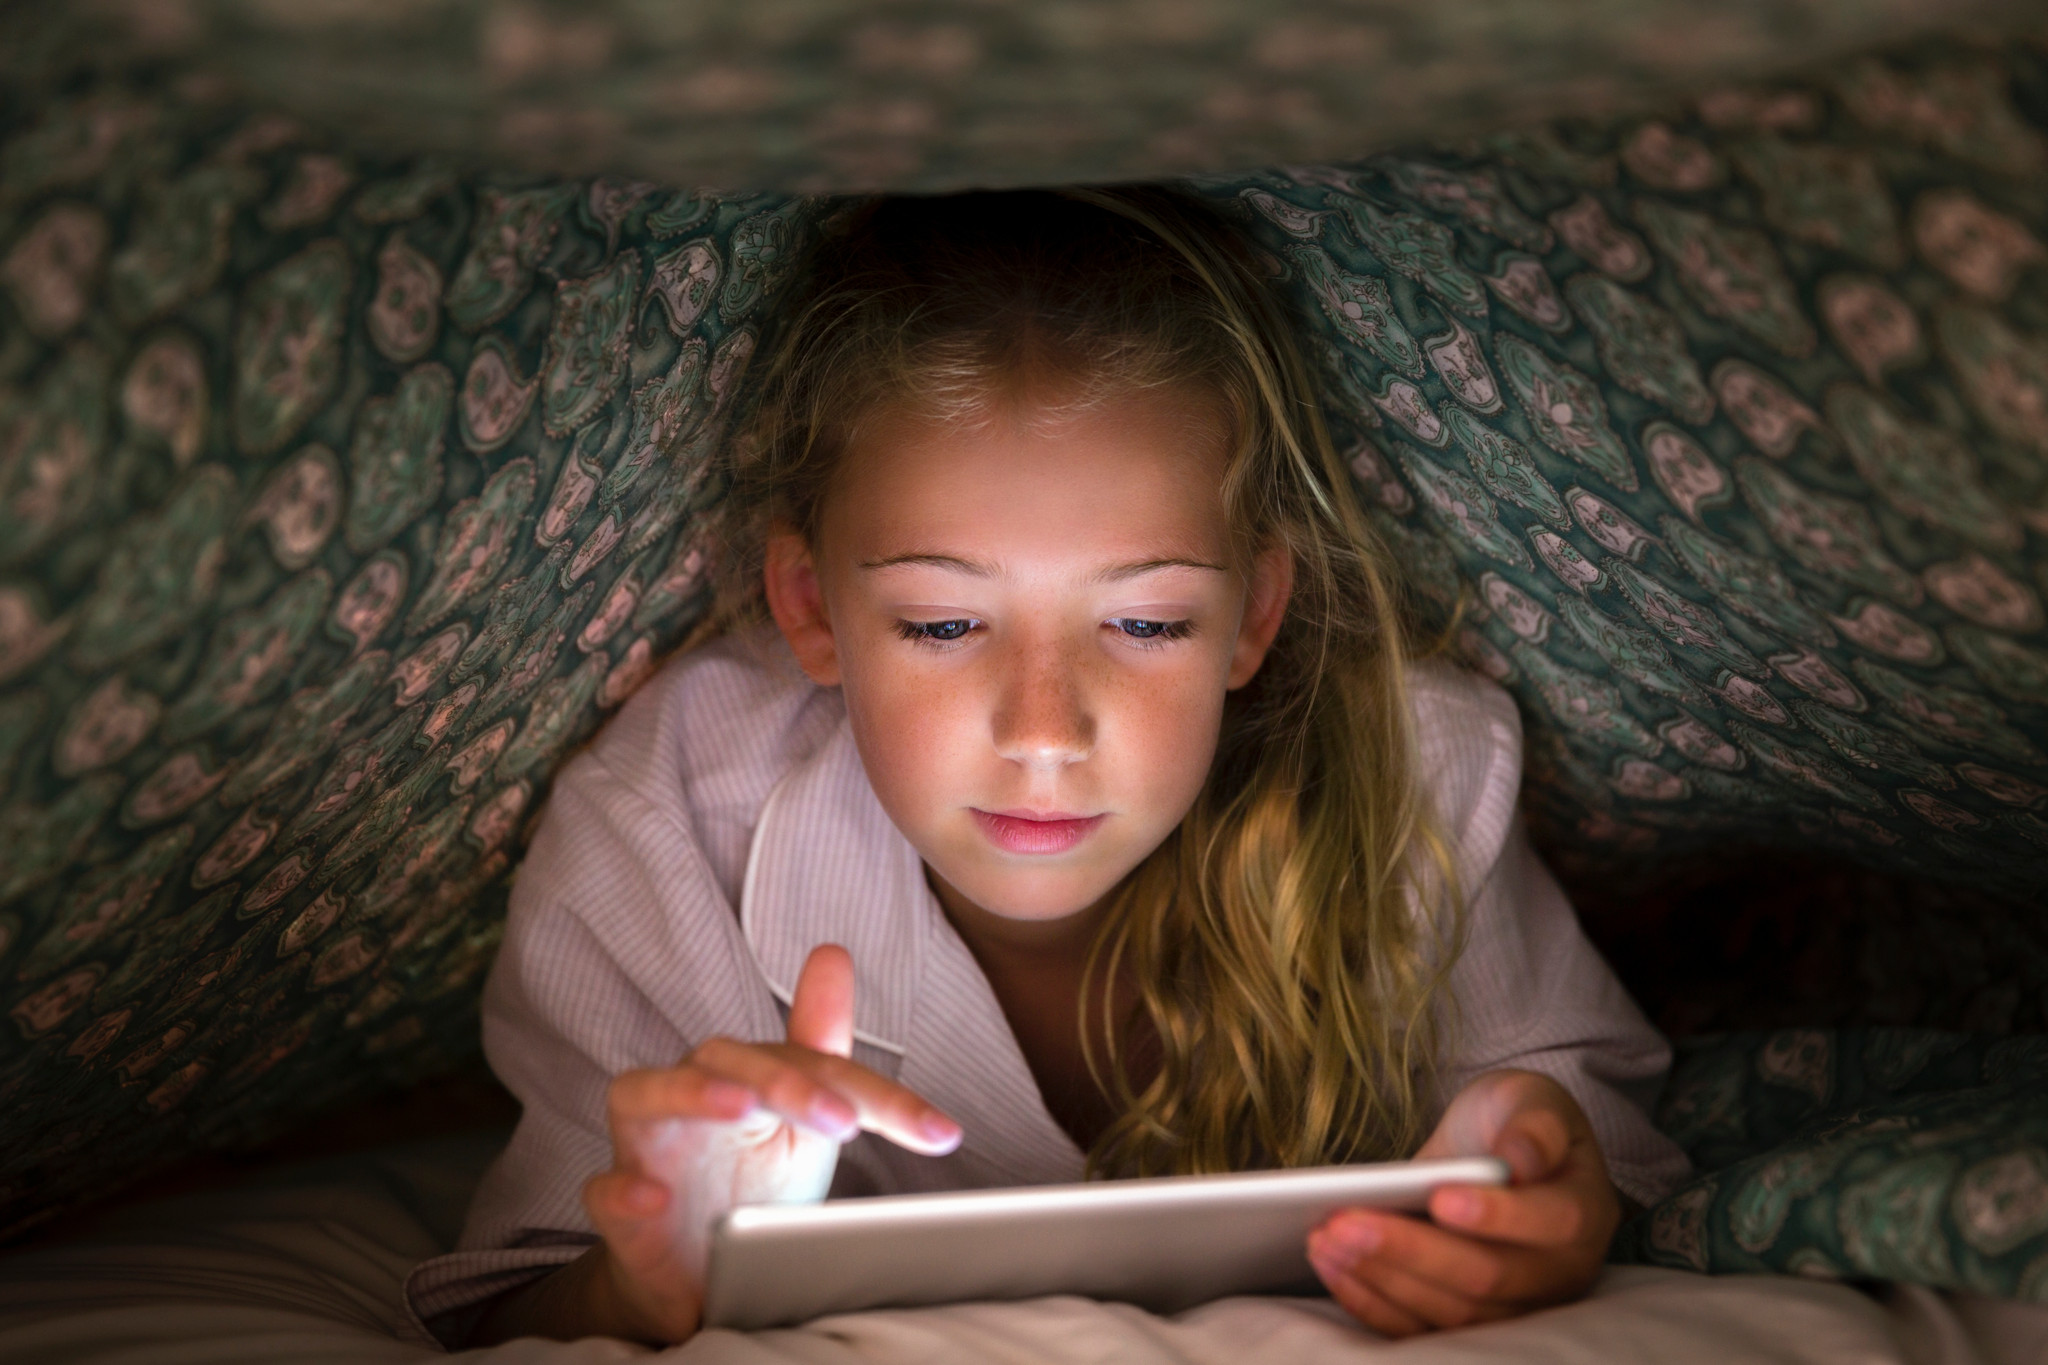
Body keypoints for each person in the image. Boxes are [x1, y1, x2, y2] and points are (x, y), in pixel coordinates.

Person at [403, 188, 1690, 1348]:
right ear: (808, 609)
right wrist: (642, 1279)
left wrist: (1544, 1193)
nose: (1042, 729)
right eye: (943, 624)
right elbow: (520, 1289)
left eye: (1143, 624)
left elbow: (1588, 1131)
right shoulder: (670, 825)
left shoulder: (1409, 768)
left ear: (1250, 619)